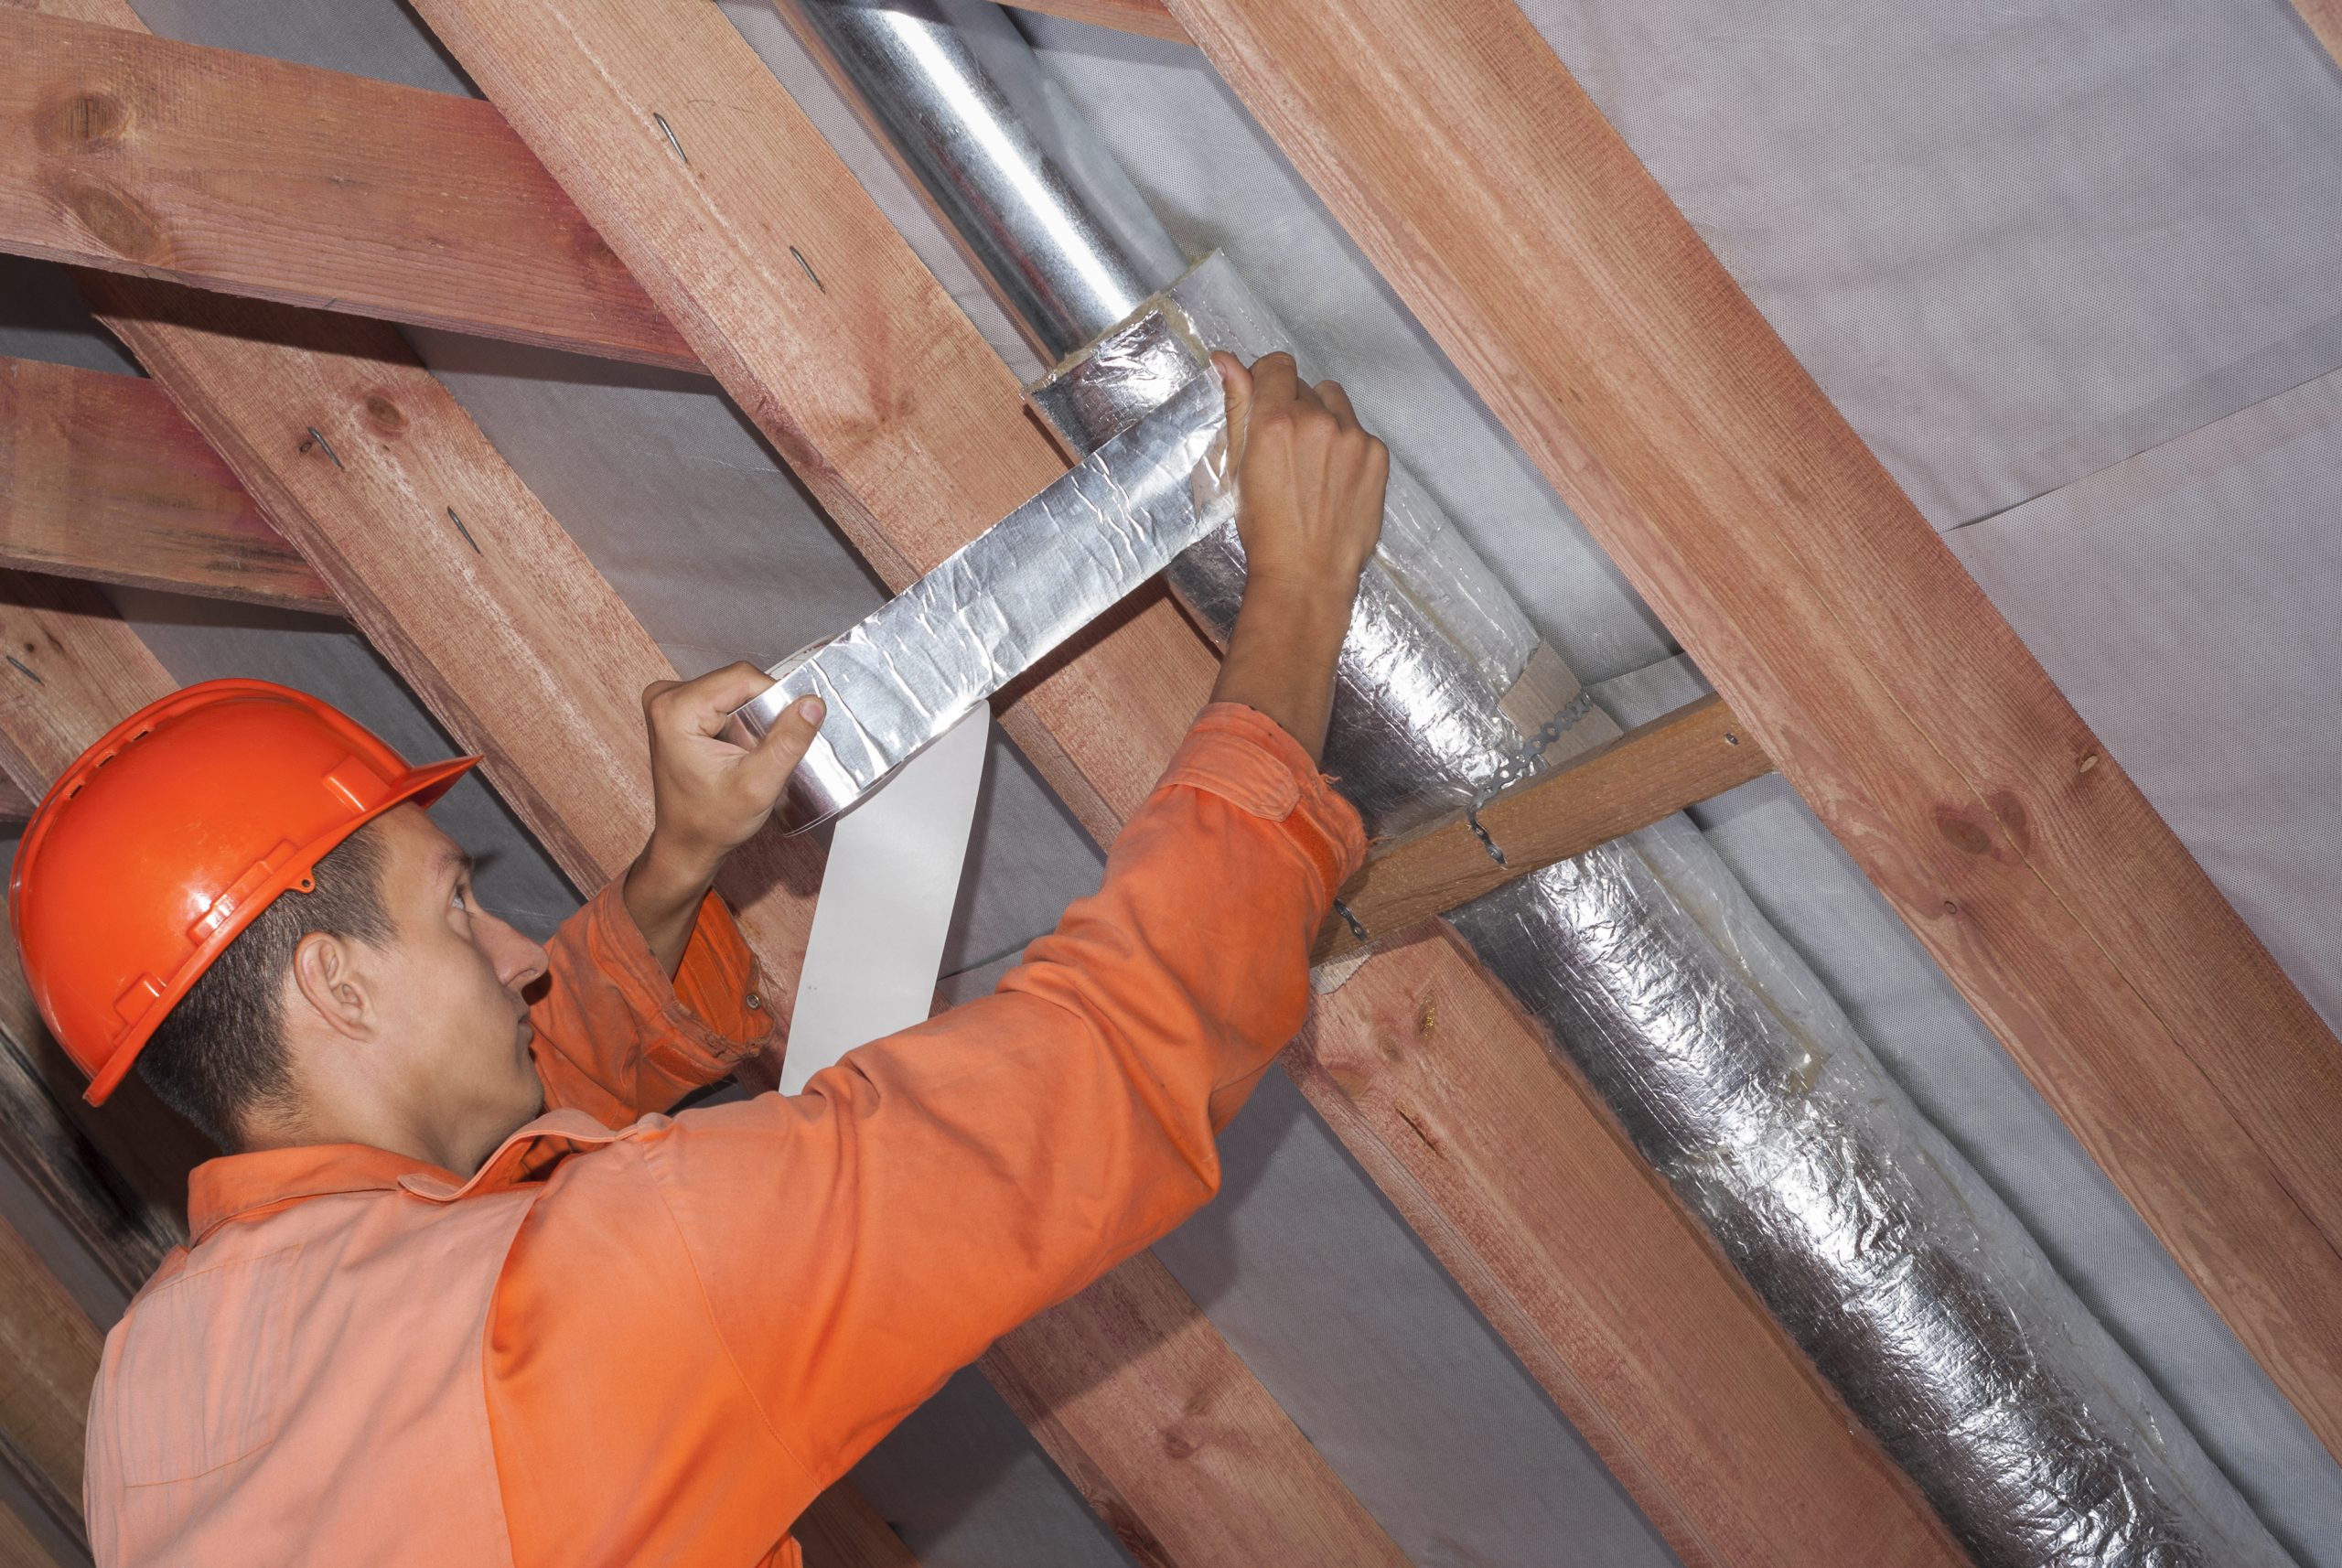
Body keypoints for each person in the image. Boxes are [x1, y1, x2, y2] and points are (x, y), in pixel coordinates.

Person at [13, 351, 1387, 1566]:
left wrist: (678, 870)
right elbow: (1098, 1074)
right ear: (334, 985)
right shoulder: (624, 1294)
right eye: (453, 907)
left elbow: (476, 1197)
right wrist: (1302, 598)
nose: (514, 953)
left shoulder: (157, 1392)